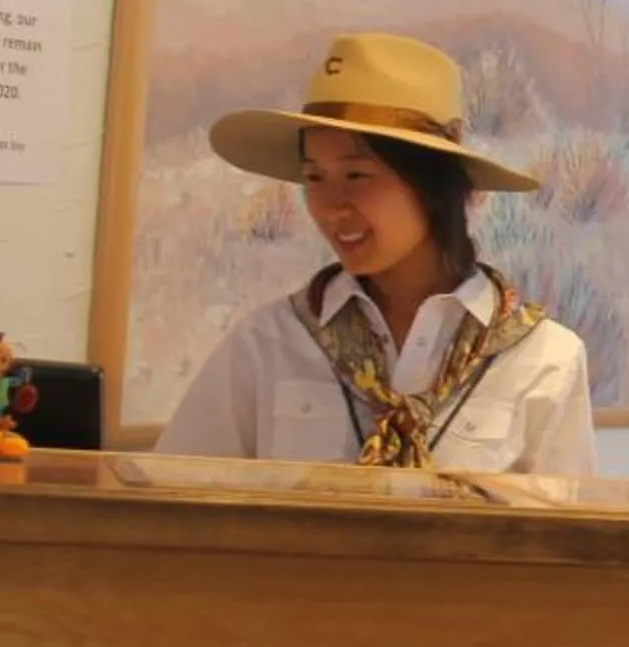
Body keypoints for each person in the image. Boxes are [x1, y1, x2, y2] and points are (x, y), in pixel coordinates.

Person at [156, 32, 596, 473]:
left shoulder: (544, 362)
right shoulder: (267, 345)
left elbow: (561, 538)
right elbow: (172, 508)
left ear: (434, 186)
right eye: (314, 177)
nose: (330, 206)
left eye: (357, 175)